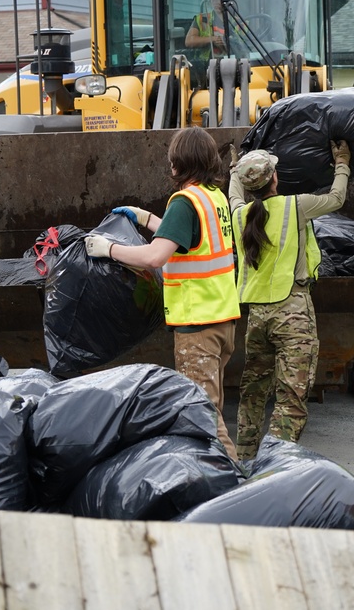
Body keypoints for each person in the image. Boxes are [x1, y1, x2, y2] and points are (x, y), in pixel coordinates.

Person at [85, 126, 241, 460]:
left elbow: (155, 256)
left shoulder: (186, 202)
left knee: (205, 420)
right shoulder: (214, 198)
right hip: (223, 321)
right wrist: (146, 218)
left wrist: (108, 249)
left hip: (198, 326)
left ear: (178, 164)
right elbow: (185, 237)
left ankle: (237, 488)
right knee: (212, 409)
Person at [228, 141, 351, 461]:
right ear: (275, 179)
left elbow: (234, 196)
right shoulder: (295, 206)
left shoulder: (240, 214)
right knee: (291, 396)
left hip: (256, 318)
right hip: (292, 313)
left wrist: (235, 170)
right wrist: (342, 161)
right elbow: (337, 199)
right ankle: (274, 466)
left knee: (253, 393)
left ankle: (244, 460)